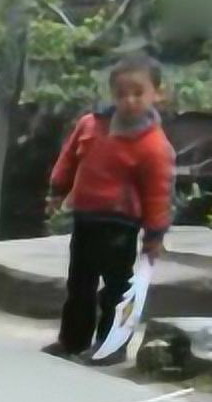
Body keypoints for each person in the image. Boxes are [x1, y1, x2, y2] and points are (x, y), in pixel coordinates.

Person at [42, 54, 174, 366]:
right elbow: (69, 160)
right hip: (86, 218)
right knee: (79, 283)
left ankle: (111, 345)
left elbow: (158, 193)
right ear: (112, 94)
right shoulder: (91, 125)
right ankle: (72, 340)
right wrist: (57, 191)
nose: (129, 100)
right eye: (121, 93)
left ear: (157, 93)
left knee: (117, 288)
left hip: (121, 225)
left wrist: (155, 235)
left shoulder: (153, 145)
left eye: (138, 93)